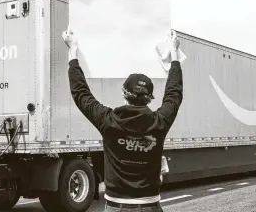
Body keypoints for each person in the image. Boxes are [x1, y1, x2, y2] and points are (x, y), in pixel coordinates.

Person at [62, 27, 183, 212]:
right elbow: (174, 94)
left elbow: (80, 93)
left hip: (116, 207)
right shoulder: (159, 122)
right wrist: (174, 54)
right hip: (150, 206)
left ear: (123, 94)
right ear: (150, 98)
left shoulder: (108, 121)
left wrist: (73, 50)